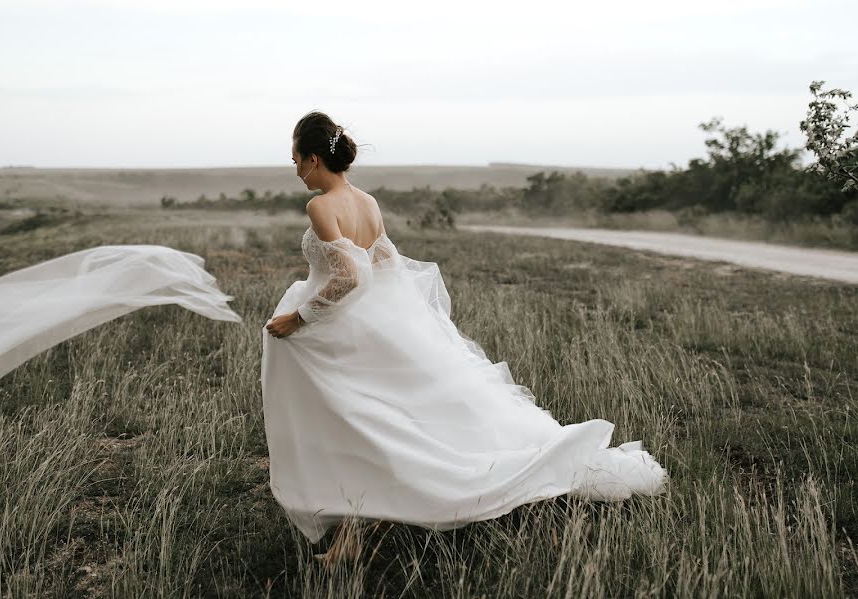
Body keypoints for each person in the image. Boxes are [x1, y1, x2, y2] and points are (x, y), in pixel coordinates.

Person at [262, 112, 668, 566]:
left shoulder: (321, 206)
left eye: (296, 159)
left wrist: (299, 318)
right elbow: (386, 260)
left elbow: (352, 276)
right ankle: (356, 530)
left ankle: (368, 520)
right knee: (378, 422)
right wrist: (398, 319)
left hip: (343, 327)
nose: (296, 169)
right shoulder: (368, 202)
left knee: (362, 424)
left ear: (314, 159)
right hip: (375, 324)